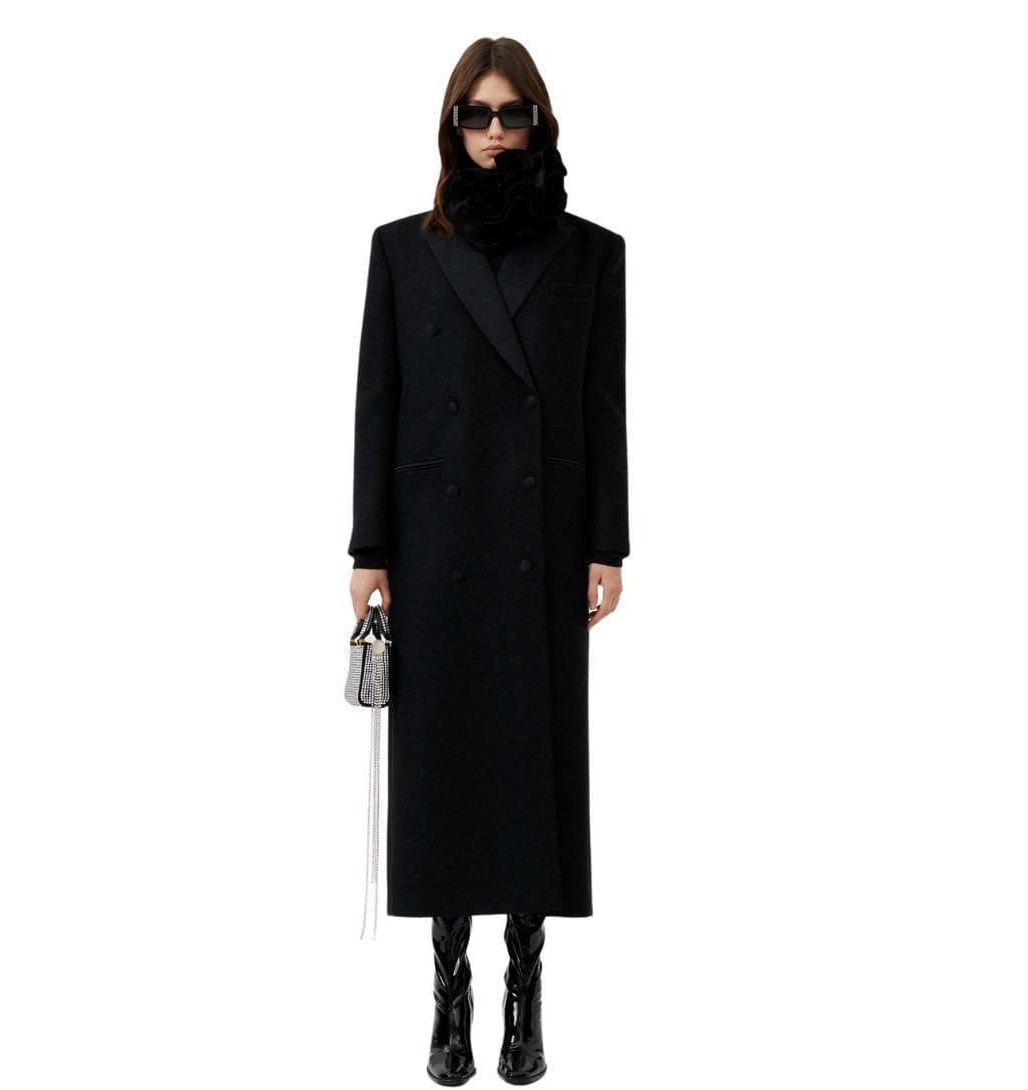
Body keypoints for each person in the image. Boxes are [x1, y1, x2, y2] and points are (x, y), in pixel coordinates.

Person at [347, 36, 629, 1086]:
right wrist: (370, 548)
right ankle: (449, 996)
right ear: (452, 126)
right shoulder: (401, 249)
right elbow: (377, 404)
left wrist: (607, 545)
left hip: (541, 544)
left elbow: (604, 407)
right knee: (445, 767)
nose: (497, 133)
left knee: (530, 760)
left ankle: (525, 995)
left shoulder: (591, 252)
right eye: (479, 115)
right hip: (437, 545)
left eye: (514, 115)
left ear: (540, 124)